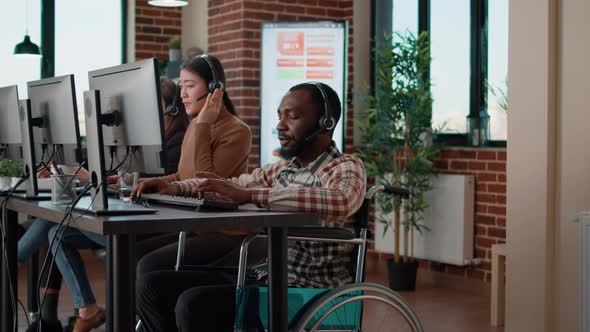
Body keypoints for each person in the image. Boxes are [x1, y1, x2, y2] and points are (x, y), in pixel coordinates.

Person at [134, 82, 367, 331]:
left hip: (307, 289)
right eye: (279, 116)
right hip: (265, 276)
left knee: (193, 304)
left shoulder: (346, 166)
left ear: (325, 123)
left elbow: (341, 199)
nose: (280, 125)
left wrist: (253, 195)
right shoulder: (283, 169)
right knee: (152, 286)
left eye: (292, 116)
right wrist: (176, 188)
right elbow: (230, 185)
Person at [46, 54, 252, 332]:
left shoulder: (236, 131)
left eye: (190, 86)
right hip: (187, 223)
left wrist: (203, 126)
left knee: (142, 261)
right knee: (128, 252)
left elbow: (207, 183)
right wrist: (156, 183)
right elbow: (184, 176)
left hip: (213, 230)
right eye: (181, 87)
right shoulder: (195, 125)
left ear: (215, 88)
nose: (183, 95)